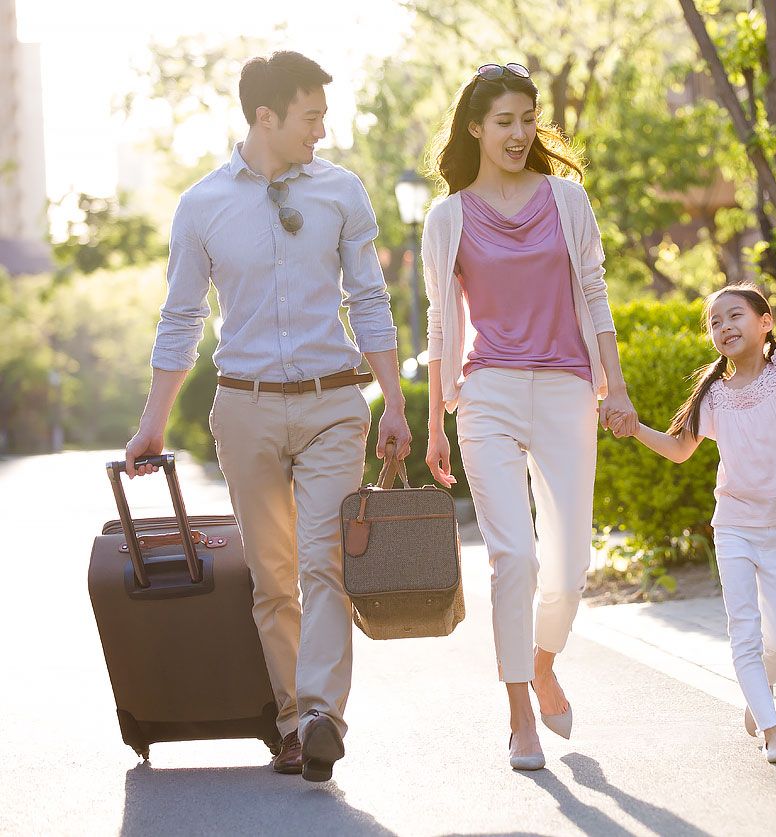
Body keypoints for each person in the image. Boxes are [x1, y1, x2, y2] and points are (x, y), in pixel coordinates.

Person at [124, 51, 411, 782]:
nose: (322, 128)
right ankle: (291, 721)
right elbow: (181, 318)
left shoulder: (342, 191)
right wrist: (153, 420)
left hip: (331, 404)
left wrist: (394, 403)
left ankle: (319, 715)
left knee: (324, 563)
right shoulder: (202, 206)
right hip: (245, 407)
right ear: (266, 117)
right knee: (273, 577)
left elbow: (369, 300)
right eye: (310, 116)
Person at [421, 62, 638, 771]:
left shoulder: (567, 201)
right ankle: (520, 713)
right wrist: (432, 424)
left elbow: (595, 292)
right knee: (512, 554)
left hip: (568, 388)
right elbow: (436, 323)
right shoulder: (447, 217)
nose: (518, 134)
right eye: (503, 121)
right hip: (487, 393)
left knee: (571, 561)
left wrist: (619, 385)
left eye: (527, 119)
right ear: (475, 127)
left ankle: (544, 663)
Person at [619, 242, 776, 763]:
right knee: (745, 631)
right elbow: (680, 451)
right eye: (715, 321)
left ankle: (759, 700)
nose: (724, 326)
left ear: (764, 323)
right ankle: (774, 729)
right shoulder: (714, 396)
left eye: (735, 315)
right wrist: (634, 427)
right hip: (732, 525)